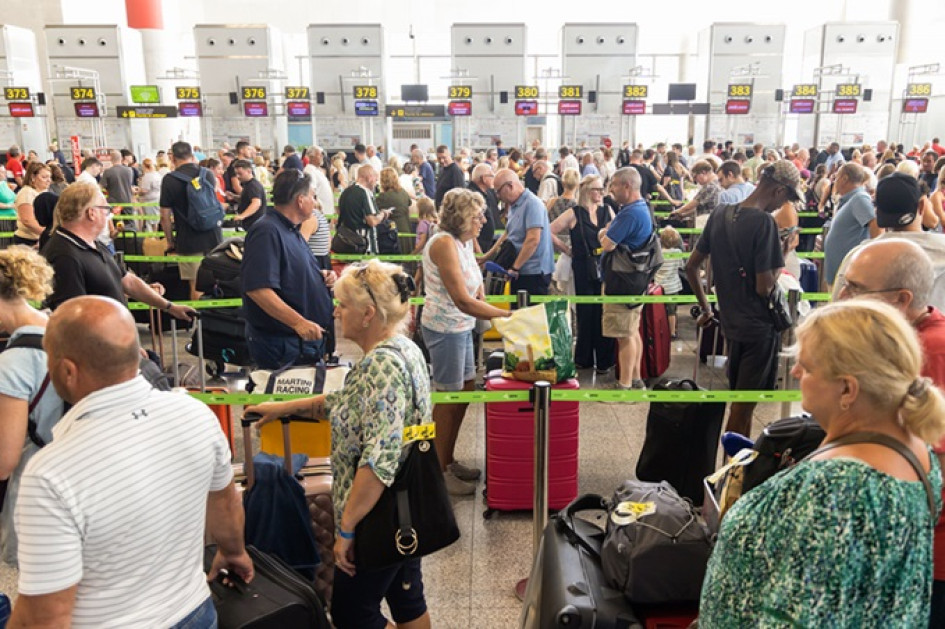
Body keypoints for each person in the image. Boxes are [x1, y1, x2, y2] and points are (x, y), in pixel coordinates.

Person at [699, 299, 945, 627]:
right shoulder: (916, 451)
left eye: (808, 366)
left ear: (847, 389)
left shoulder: (834, 489)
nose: (796, 372)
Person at [10, 296, 251, 628]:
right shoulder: (195, 414)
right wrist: (234, 551)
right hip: (195, 610)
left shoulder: (50, 473)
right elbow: (225, 501)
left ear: (67, 370)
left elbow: (45, 618)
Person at [246, 261, 434, 629]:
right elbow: (346, 403)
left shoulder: (380, 366)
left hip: (375, 513)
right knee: (407, 600)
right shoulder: (404, 349)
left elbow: (379, 462)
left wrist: (346, 530)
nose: (336, 312)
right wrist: (286, 407)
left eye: (343, 305)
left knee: (352, 614)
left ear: (367, 314)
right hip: (407, 505)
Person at [833, 239, 945, 624]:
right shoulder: (909, 343)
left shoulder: (930, 350)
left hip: (928, 555)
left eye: (858, 289)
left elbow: (929, 460)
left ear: (901, 299)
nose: (844, 296)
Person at [686, 161, 802, 436]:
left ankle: (734, 467)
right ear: (778, 190)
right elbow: (764, 286)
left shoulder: (720, 214)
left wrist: (706, 309)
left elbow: (692, 266)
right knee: (742, 409)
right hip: (758, 329)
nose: (783, 204)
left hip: (730, 323)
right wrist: (782, 254)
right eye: (787, 197)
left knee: (738, 402)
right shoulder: (764, 223)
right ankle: (733, 470)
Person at [420, 189, 510, 495]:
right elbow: (461, 299)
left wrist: (487, 305)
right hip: (445, 329)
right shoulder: (443, 243)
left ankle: (448, 459)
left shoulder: (463, 241)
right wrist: (505, 315)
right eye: (477, 216)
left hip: (463, 327)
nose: (484, 221)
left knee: (465, 393)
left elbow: (475, 281)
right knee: (448, 401)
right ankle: (436, 472)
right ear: (459, 218)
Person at [41, 182, 196, 321]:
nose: (109, 215)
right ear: (91, 213)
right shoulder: (64, 256)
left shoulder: (93, 243)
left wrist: (169, 307)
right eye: (106, 209)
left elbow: (127, 280)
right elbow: (76, 318)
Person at [0, 247, 64, 567]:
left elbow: (4, 460)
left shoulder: (12, 363)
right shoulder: (61, 329)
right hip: (81, 467)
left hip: (38, 487)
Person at [242, 170, 335, 370]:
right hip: (282, 345)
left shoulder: (291, 230)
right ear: (300, 201)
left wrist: (321, 277)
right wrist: (298, 323)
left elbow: (289, 272)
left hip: (300, 343)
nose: (315, 201)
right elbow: (258, 289)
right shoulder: (267, 231)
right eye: (313, 196)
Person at [832, 172, 945, 310]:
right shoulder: (941, 248)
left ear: (877, 210)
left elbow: (837, 307)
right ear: (921, 206)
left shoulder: (858, 257)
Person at [549, 174, 616, 372]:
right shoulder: (574, 213)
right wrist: (566, 248)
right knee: (586, 313)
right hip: (582, 267)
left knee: (604, 311)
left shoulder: (607, 210)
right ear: (587, 190)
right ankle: (584, 358)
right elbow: (549, 230)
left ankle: (605, 359)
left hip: (604, 266)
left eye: (602, 189)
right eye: (597, 189)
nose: (601, 193)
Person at [599, 167, 654, 390]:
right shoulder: (643, 209)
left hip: (622, 282)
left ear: (626, 186)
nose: (610, 190)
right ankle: (636, 379)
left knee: (624, 335)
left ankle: (624, 385)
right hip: (634, 281)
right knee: (632, 331)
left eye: (613, 185)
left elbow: (606, 243)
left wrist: (603, 232)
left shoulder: (630, 213)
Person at [159, 141, 224, 300]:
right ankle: (216, 321)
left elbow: (164, 216)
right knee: (217, 281)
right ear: (192, 155)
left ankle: (198, 322)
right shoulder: (207, 173)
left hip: (188, 240)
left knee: (196, 285)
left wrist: (170, 240)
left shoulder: (169, 179)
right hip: (214, 236)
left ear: (172, 158)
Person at [488, 169, 555, 296]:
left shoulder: (533, 204)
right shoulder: (514, 205)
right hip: (519, 271)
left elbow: (533, 240)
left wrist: (515, 267)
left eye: (498, 191)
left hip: (533, 273)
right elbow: (508, 233)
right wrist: (488, 256)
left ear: (510, 186)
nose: (497, 196)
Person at [823, 163, 880, 288]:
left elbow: (875, 224)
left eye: (837, 177)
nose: (835, 181)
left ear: (844, 179)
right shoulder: (851, 199)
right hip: (841, 274)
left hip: (848, 275)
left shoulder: (859, 199)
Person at [337, 165, 391, 255]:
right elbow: (372, 221)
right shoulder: (365, 193)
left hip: (346, 242)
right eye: (375, 178)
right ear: (369, 177)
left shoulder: (345, 192)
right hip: (364, 245)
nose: (376, 182)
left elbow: (339, 212)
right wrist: (383, 214)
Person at [668, 160, 721, 227]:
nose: (696, 181)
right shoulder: (716, 183)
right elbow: (699, 207)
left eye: (695, 177)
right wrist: (683, 215)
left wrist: (677, 212)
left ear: (703, 172)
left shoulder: (710, 186)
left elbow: (693, 204)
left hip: (707, 222)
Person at [654, 226, 685, 339]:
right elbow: (681, 266)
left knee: (659, 311)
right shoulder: (678, 252)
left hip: (659, 287)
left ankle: (659, 330)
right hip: (673, 287)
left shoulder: (658, 252)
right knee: (672, 312)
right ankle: (672, 332)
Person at [13, 162, 51, 246]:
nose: (49, 180)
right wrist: (48, 235)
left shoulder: (44, 192)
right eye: (44, 177)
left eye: (49, 177)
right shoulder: (26, 193)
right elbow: (28, 221)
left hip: (40, 238)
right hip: (28, 241)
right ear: (33, 177)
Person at [467, 163, 500, 253]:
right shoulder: (470, 195)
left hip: (491, 242)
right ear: (484, 178)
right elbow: (468, 224)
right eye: (492, 176)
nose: (494, 178)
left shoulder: (489, 192)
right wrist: (478, 250)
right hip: (480, 244)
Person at [376, 167, 412, 236]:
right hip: (406, 229)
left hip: (393, 233)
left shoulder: (383, 197)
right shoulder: (403, 192)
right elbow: (409, 204)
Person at [232, 159, 268, 230]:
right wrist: (234, 197)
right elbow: (248, 200)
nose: (238, 176)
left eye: (240, 173)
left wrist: (242, 216)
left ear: (249, 171)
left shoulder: (253, 186)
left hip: (254, 223)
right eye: (236, 174)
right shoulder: (248, 184)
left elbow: (256, 203)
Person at [303, 145, 334, 217]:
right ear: (312, 157)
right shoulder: (310, 170)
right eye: (320, 155)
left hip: (325, 212)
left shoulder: (317, 170)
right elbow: (310, 190)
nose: (322, 157)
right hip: (319, 213)